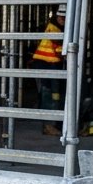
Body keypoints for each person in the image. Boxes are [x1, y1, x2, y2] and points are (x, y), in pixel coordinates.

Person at [32, 7, 65, 136]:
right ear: (56, 17)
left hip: (50, 65)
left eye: (64, 17)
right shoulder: (54, 29)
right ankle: (48, 125)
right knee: (49, 94)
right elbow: (61, 50)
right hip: (45, 65)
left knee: (53, 94)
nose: (62, 19)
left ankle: (51, 124)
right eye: (60, 17)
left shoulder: (57, 28)